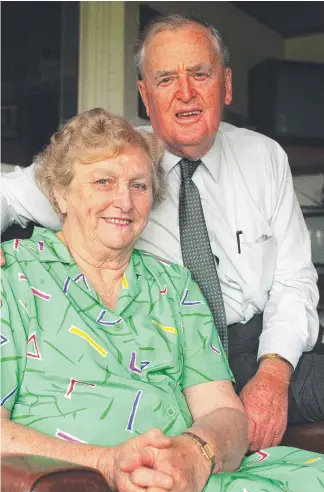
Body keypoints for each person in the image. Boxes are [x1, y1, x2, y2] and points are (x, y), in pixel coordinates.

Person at [1, 15, 323, 453]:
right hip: (165, 359)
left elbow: (294, 279)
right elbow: (9, 195)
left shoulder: (264, 156)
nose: (185, 93)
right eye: (166, 78)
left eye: (200, 74)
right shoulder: (112, 162)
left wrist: (273, 375)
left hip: (258, 347)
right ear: (145, 96)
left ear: (225, 85)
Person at [1, 108, 324, 492]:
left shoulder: (174, 286)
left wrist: (194, 457)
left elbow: (225, 413)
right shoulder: (13, 278)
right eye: (103, 182)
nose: (124, 201)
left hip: (193, 481)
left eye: (139, 185)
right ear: (59, 194)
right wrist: (107, 464)